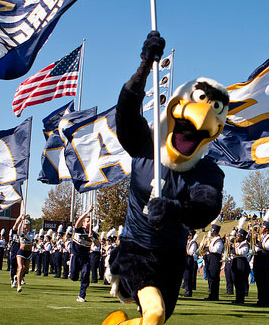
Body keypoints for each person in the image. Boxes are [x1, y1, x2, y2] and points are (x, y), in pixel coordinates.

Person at [103, 32, 228, 325]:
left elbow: (205, 209)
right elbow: (126, 112)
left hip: (172, 256)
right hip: (136, 248)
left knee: (154, 319)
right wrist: (145, 64)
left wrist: (173, 210)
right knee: (155, 313)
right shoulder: (146, 145)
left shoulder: (207, 170)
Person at [253, 210, 269, 307]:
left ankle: (265, 300)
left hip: (265, 257)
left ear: (266, 228)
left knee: (264, 280)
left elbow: (268, 247)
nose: (261, 228)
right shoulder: (261, 236)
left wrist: (257, 241)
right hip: (258, 257)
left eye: (262, 227)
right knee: (258, 280)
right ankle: (260, 299)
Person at [70, 210, 94, 303]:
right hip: (76, 256)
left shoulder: (93, 233)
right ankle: (72, 274)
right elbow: (78, 222)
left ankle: (81, 295)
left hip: (85, 257)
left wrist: (92, 237)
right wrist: (88, 211)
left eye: (90, 221)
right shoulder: (79, 229)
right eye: (88, 221)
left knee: (85, 275)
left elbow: (97, 243)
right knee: (74, 277)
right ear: (84, 223)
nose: (90, 223)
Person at [13, 215, 35, 292]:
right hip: (21, 252)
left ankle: (17, 277)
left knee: (25, 269)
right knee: (21, 267)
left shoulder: (32, 234)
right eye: (25, 226)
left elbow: (29, 238)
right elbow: (18, 229)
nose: (26, 228)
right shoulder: (21, 232)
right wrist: (21, 221)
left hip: (28, 253)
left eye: (28, 226)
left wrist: (25, 233)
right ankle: (19, 286)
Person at [231, 227, 250, 304]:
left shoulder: (245, 244)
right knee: (236, 281)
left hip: (241, 262)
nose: (236, 237)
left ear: (242, 237)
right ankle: (238, 298)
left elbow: (241, 252)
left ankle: (241, 299)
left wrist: (232, 249)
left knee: (240, 281)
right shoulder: (238, 244)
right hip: (236, 261)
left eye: (238, 236)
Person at [205, 221, 223, 301]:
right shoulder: (212, 240)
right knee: (210, 277)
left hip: (215, 258)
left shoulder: (218, 240)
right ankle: (211, 293)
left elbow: (216, 250)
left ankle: (215, 295)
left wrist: (208, 248)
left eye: (212, 231)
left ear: (214, 232)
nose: (210, 232)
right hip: (209, 257)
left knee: (214, 276)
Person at [183, 230, 198, 297]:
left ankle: (189, 291)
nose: (188, 237)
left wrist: (185, 248)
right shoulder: (188, 242)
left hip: (189, 259)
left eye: (190, 235)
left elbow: (190, 253)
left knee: (188, 276)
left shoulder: (193, 243)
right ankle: (186, 290)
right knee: (185, 276)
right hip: (185, 259)